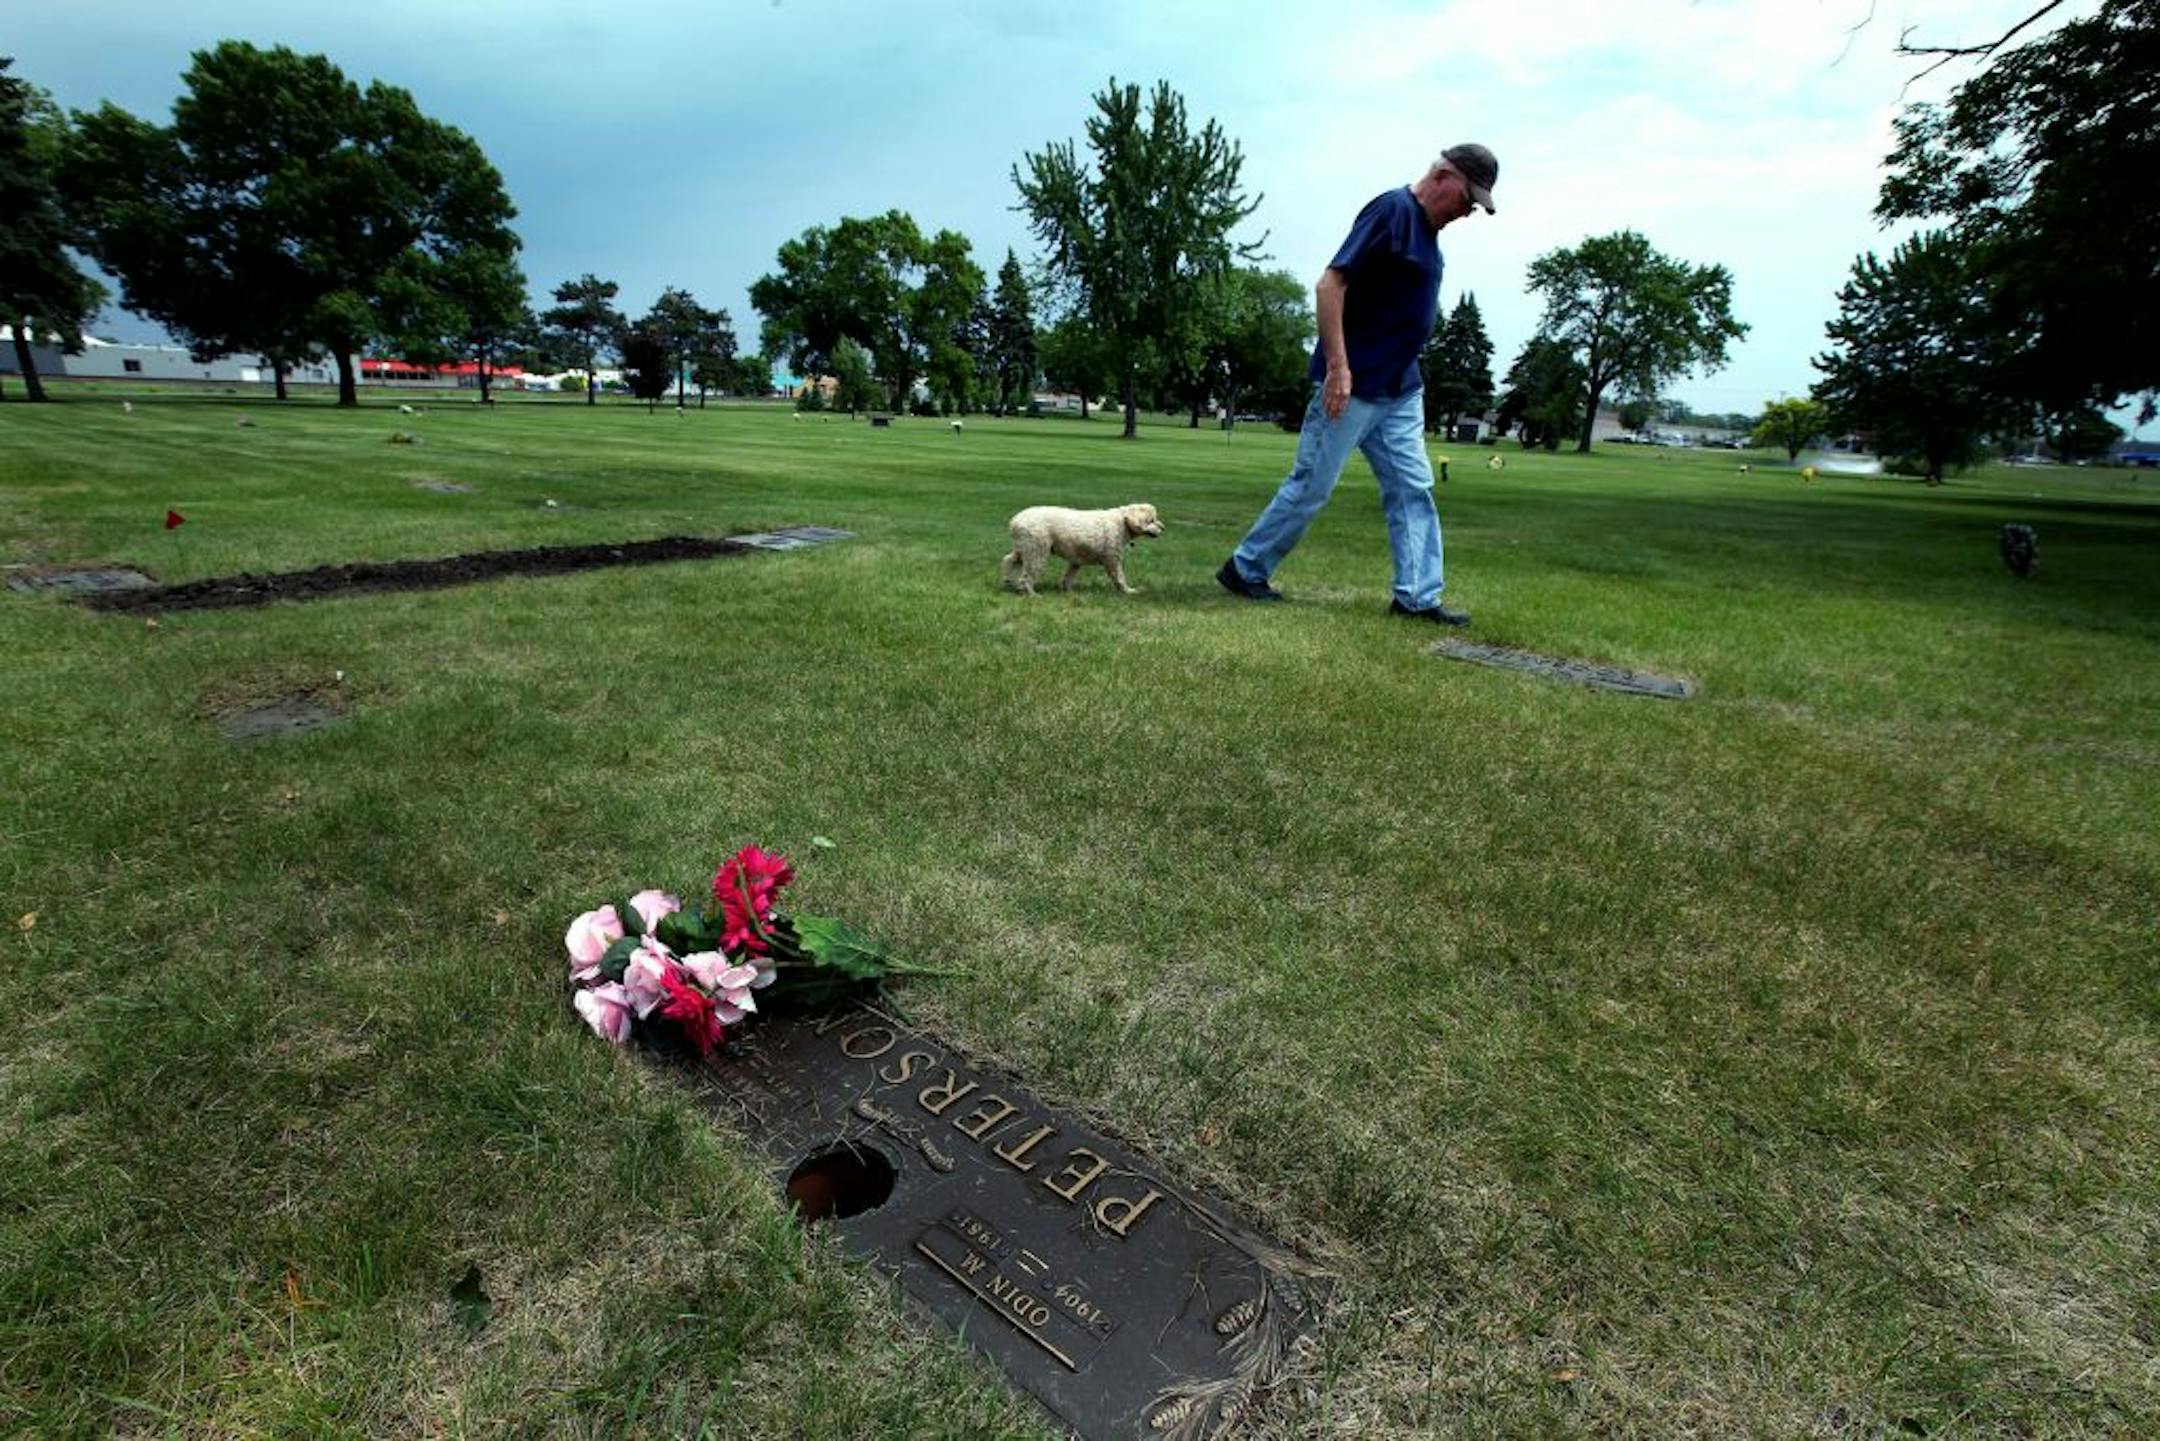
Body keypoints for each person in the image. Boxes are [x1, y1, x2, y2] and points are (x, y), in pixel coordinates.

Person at [1217, 143, 1498, 625]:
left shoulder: (1429, 233)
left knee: (1413, 489)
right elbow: (1331, 285)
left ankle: (1416, 597)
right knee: (1312, 486)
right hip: (1352, 386)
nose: (1466, 212)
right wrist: (1338, 369)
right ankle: (1245, 568)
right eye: (1466, 200)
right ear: (1444, 177)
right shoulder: (1392, 210)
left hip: (1401, 388)